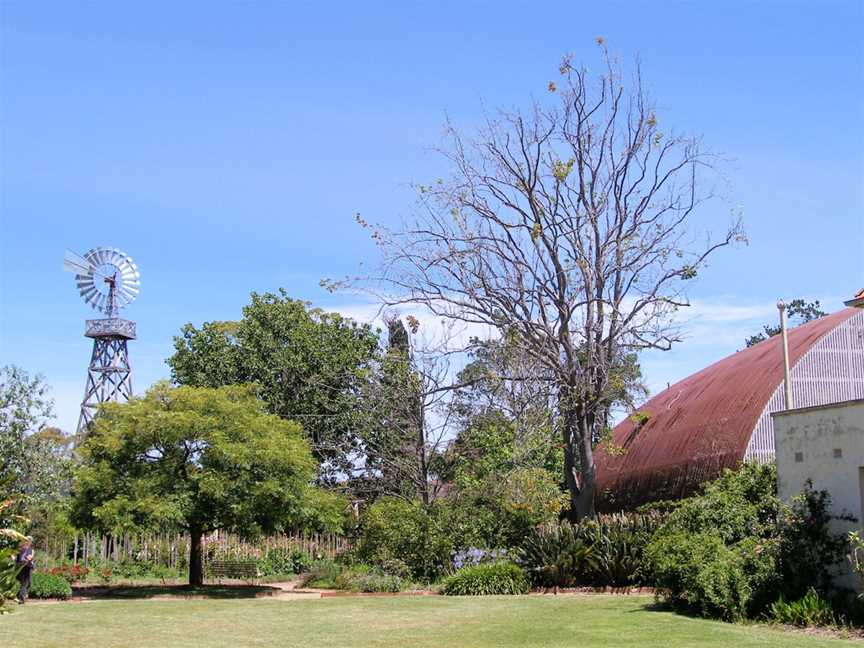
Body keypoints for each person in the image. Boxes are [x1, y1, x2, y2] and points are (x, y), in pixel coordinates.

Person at [15, 539, 35, 604]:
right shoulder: (20, 551)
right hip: (22, 568)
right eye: (25, 542)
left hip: (28, 567)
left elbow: (30, 557)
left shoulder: (31, 550)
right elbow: (16, 559)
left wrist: (30, 559)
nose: (26, 544)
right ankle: (21, 599)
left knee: (29, 584)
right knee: (25, 584)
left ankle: (19, 595)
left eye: (28, 542)